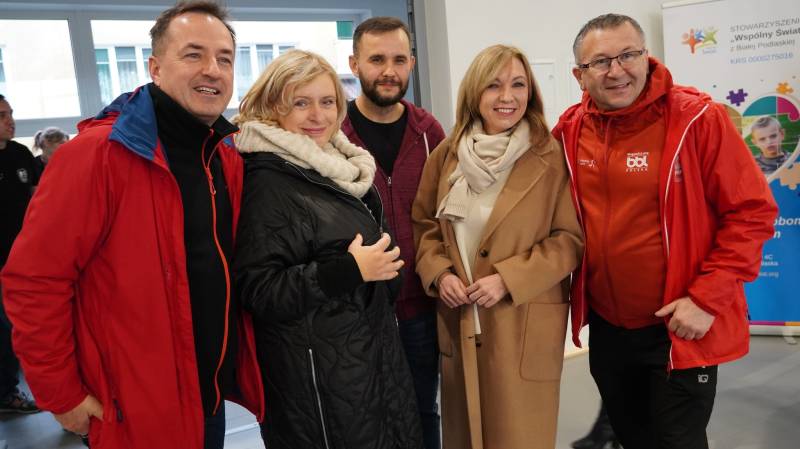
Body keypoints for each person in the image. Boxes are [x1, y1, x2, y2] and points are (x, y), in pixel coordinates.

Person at [0, 2, 265, 448]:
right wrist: (61, 394)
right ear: (155, 68)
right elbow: (35, 281)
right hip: (134, 408)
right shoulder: (96, 155)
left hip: (208, 398)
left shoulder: (223, 155)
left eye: (224, 58)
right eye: (194, 54)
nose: (212, 69)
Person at [553, 13, 778, 449]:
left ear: (647, 56)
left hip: (680, 327)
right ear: (579, 75)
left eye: (628, 55)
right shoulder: (570, 129)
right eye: (601, 62)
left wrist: (705, 300)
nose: (617, 71)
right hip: (609, 330)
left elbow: (751, 213)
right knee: (632, 438)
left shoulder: (698, 119)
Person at [233, 49, 423, 449]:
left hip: (370, 359)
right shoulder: (269, 179)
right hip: (319, 383)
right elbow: (258, 289)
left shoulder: (339, 165)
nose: (317, 115)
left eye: (327, 102)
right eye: (300, 103)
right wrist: (350, 270)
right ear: (274, 107)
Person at [412, 45, 584, 449]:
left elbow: (569, 240)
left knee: (519, 436)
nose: (507, 96)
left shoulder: (551, 157)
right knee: (465, 434)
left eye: (518, 84)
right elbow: (425, 227)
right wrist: (439, 273)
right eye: (494, 85)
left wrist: (508, 279)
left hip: (521, 320)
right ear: (475, 92)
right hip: (460, 318)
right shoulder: (446, 155)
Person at [342, 16, 446, 449]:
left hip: (420, 308)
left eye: (399, 60)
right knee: (364, 421)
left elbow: (445, 216)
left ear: (412, 65)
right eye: (377, 59)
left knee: (422, 413)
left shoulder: (429, 133)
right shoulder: (334, 134)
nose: (389, 71)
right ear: (354, 64)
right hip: (359, 311)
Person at [0, 94, 40, 415]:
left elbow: (39, 199)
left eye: (10, 113)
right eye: (2, 115)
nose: (10, 120)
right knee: (4, 329)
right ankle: (6, 392)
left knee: (23, 328)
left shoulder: (20, 154)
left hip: (23, 260)